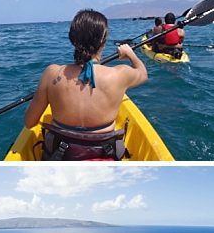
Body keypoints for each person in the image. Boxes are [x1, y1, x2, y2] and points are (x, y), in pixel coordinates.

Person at [24, 9, 148, 160]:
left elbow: (30, 123)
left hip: (59, 156)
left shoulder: (51, 74)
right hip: (105, 155)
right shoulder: (119, 75)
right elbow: (143, 73)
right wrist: (130, 54)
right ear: (104, 39)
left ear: (72, 38)